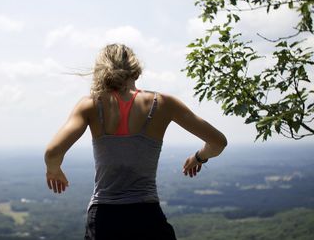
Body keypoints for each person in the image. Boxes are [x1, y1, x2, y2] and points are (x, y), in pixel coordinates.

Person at [44, 43, 227, 240]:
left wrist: (54, 170)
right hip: (147, 218)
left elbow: (53, 152)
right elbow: (218, 142)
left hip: (104, 219)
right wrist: (199, 157)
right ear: (136, 71)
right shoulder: (163, 104)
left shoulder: (90, 104)